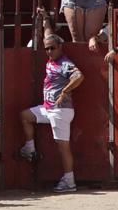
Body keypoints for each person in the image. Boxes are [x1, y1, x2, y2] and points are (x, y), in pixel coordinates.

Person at [19, 32, 82, 193]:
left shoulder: (64, 63)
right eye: (46, 49)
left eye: (52, 48)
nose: (49, 51)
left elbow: (79, 76)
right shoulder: (52, 60)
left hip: (60, 110)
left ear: (60, 47)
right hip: (49, 108)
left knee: (63, 148)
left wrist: (65, 91)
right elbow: (48, 33)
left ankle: (69, 181)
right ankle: (30, 148)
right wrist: (45, 17)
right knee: (25, 116)